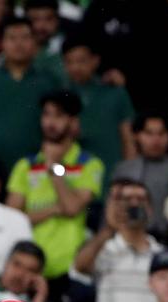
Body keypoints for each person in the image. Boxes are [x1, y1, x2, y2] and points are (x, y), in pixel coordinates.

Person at [6, 90, 103, 301]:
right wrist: (54, 209)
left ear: (73, 121)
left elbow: (71, 208)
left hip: (69, 269)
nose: (51, 122)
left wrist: (53, 168)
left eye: (58, 116)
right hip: (30, 271)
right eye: (47, 115)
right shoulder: (26, 166)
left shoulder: (89, 164)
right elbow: (13, 218)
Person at [73, 179, 162, 302]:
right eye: (127, 200)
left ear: (150, 209)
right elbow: (80, 265)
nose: (134, 204)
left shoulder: (160, 255)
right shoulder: (104, 249)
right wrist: (108, 229)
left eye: (140, 199)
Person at [0, 17, 61, 173]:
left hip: (34, 166)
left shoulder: (48, 82)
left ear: (34, 43)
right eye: (12, 38)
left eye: (25, 38)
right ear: (1, 43)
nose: (19, 44)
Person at [61, 35, 135, 188]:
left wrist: (128, 177)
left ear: (95, 61)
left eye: (81, 61)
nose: (75, 67)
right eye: (69, 62)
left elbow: (128, 139)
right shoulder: (59, 96)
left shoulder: (115, 93)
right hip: (72, 182)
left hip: (111, 177)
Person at [112, 113, 168, 235]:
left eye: (161, 134)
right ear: (137, 136)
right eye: (149, 133)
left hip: (165, 236)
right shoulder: (123, 169)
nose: (156, 140)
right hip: (126, 236)